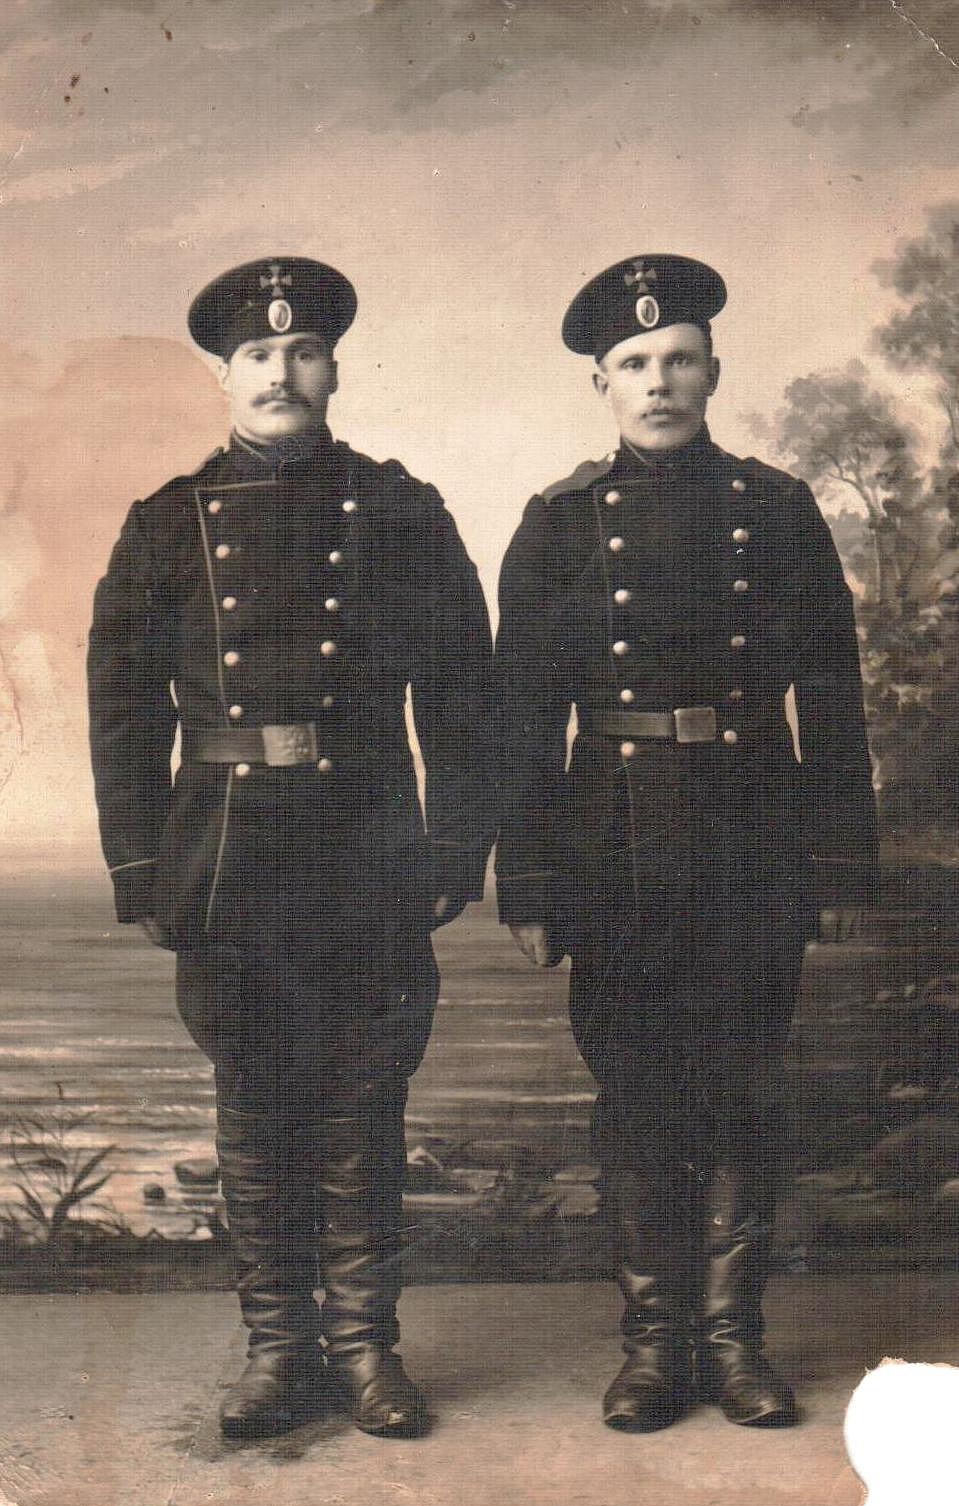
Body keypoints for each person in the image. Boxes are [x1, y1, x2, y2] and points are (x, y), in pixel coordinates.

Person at [88, 257, 494, 1439]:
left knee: (365, 1104)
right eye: (258, 355)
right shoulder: (167, 522)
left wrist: (454, 846)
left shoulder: (401, 509)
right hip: (227, 858)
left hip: (365, 843)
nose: (281, 372)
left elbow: (461, 691)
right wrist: (138, 865)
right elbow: (123, 708)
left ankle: (365, 1350)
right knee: (256, 1108)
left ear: (333, 370)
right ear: (225, 376)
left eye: (302, 351)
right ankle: (277, 1352)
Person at [495, 254, 878, 1433]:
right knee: (635, 1093)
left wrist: (837, 862)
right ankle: (655, 1346)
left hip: (752, 828)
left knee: (744, 1086)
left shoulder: (776, 509)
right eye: (632, 364)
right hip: (612, 843)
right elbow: (521, 722)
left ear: (712, 372)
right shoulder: (558, 524)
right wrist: (528, 881)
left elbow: (831, 694)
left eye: (677, 360)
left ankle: (733, 1339)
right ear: (599, 385)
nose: (656, 382)